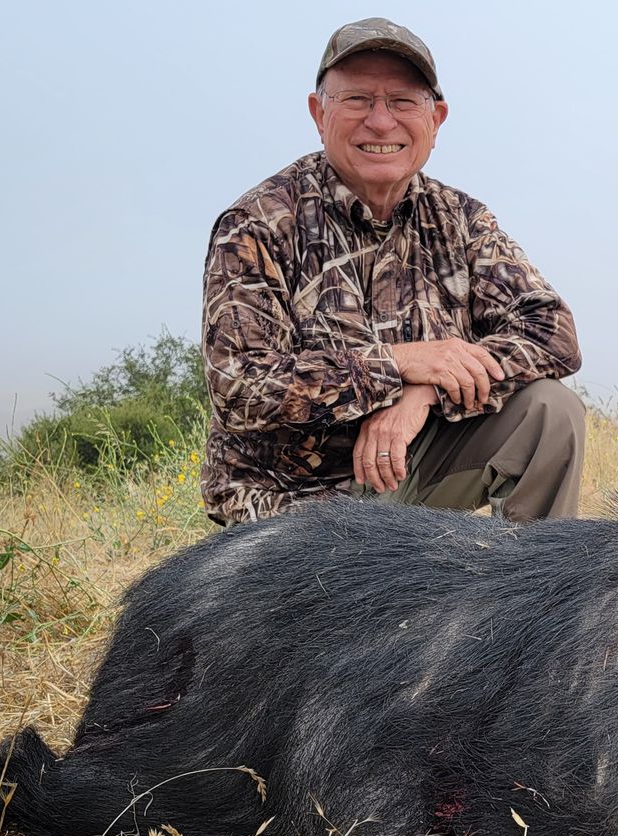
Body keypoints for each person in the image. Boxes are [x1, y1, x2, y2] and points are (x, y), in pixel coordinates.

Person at [198, 16, 585, 526]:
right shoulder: (257, 224)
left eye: (403, 102)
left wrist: (426, 393)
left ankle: (528, 578)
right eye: (357, 99)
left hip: (409, 468)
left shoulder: (461, 219)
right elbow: (240, 388)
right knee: (325, 568)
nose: (381, 122)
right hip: (290, 504)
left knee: (551, 411)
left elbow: (553, 332)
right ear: (318, 114)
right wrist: (399, 365)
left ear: (435, 120)